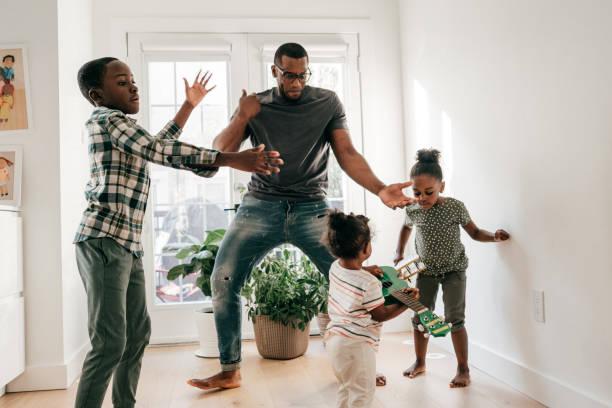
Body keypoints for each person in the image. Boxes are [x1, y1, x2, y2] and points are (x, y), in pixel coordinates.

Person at [188, 42, 413, 391]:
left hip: (311, 206)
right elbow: (218, 153)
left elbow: (347, 152)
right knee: (223, 280)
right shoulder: (257, 105)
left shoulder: (327, 103)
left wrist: (381, 189)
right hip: (260, 206)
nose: (295, 82)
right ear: (275, 71)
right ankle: (230, 369)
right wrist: (242, 116)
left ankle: (360, 361)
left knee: (352, 282)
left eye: (302, 75)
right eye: (288, 75)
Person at [73, 57, 282, 408]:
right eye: (122, 82)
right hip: (104, 240)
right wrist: (231, 159)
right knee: (110, 343)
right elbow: (159, 150)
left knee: (137, 336)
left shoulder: (122, 129)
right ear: (97, 95)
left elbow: (155, 144)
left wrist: (188, 106)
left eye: (133, 80)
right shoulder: (107, 120)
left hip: (126, 244)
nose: (133, 86)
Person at [394, 148, 510, 388]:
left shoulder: (454, 207)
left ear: (442, 187)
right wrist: (399, 252)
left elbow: (475, 233)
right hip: (425, 271)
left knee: (455, 319)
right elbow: (406, 228)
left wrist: (495, 237)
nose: (422, 197)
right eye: (417, 192)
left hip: (454, 271)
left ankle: (463, 368)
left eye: (429, 192)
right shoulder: (412, 209)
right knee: (420, 317)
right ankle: (419, 361)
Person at [325, 210, 418, 408]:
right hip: (356, 346)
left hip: (334, 341)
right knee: (363, 395)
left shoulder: (335, 267)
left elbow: (351, 273)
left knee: (346, 389)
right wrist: (405, 303)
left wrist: (366, 269)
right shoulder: (368, 283)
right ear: (366, 248)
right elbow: (381, 314)